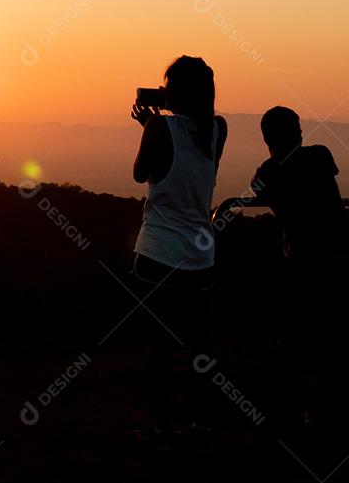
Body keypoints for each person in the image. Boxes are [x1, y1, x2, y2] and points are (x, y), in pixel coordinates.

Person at [130, 56, 228, 441]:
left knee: (158, 349)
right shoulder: (217, 128)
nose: (163, 91)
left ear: (178, 92)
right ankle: (202, 424)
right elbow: (196, 166)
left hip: (157, 252)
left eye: (168, 85)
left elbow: (141, 173)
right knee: (201, 345)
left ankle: (160, 429)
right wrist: (158, 122)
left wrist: (150, 126)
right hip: (201, 256)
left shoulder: (159, 127)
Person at [250, 106, 349, 429]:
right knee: (334, 333)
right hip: (339, 253)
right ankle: (335, 404)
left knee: (311, 333)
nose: (301, 131)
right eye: (296, 127)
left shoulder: (268, 172)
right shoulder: (320, 155)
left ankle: (314, 408)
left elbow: (259, 189)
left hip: (302, 260)